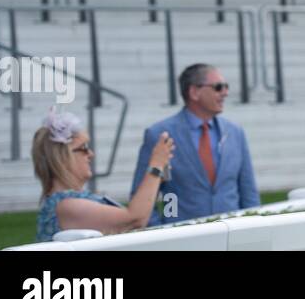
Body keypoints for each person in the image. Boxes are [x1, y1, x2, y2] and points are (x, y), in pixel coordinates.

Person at [130, 63, 260, 224]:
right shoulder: (159, 135)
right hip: (183, 241)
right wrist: (165, 233)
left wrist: (253, 227)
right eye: (218, 87)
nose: (225, 92)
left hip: (232, 237)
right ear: (194, 92)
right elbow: (142, 195)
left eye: (226, 86)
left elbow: (249, 193)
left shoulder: (235, 133)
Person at [34, 108, 175, 242]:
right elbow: (135, 219)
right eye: (83, 148)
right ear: (62, 157)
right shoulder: (66, 206)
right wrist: (156, 165)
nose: (90, 154)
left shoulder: (66, 203)